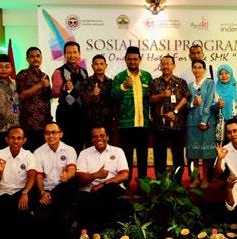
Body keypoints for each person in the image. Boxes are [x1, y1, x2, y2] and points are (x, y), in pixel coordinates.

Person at [0, 126, 38, 239]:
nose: (15, 141)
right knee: (12, 207)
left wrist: (25, 192)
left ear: (24, 140)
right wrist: (0, 171)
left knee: (14, 208)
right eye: (12, 138)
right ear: (7, 139)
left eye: (19, 138)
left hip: (21, 192)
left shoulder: (29, 155)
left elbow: (32, 176)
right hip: (3, 193)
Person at [34, 122, 78, 239]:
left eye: (54, 132)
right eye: (47, 133)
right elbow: (39, 176)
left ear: (61, 134)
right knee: (54, 207)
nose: (51, 135)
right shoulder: (38, 152)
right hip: (47, 189)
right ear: (44, 135)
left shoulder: (69, 150)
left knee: (67, 187)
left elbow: (72, 169)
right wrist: (42, 192)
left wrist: (67, 176)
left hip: (64, 186)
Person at [76, 126, 130, 234]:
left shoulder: (118, 151)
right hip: (90, 191)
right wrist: (96, 175)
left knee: (111, 188)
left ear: (107, 137)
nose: (99, 138)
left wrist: (102, 185)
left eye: (102, 135)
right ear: (91, 139)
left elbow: (124, 175)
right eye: (95, 136)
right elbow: (80, 179)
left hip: (111, 188)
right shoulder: (84, 153)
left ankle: (96, 232)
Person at [111, 46, 152, 181]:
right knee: (126, 157)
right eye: (129, 59)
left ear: (140, 59)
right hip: (125, 124)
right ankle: (126, 183)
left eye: (135, 59)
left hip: (143, 123)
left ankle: (143, 183)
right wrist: (123, 86)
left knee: (142, 156)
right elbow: (113, 96)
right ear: (125, 60)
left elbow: (151, 98)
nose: (132, 61)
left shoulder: (147, 76)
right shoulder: (119, 77)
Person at [149, 55, 189, 181]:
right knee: (159, 155)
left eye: (168, 64)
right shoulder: (154, 82)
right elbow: (150, 99)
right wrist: (161, 95)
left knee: (178, 155)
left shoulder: (181, 82)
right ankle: (161, 182)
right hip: (159, 125)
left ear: (174, 66)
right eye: (163, 64)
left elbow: (185, 98)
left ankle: (177, 181)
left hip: (177, 124)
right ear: (160, 66)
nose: (166, 66)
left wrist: (175, 111)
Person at [52, 41, 88, 153]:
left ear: (79, 54)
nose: (72, 55)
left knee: (80, 148)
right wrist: (65, 89)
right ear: (65, 55)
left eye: (74, 52)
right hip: (65, 115)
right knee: (66, 148)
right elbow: (54, 93)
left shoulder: (84, 72)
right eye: (69, 52)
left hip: (81, 115)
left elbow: (85, 92)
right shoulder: (59, 72)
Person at [186, 58, 216, 187]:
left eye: (200, 67)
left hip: (207, 123)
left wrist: (204, 121)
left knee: (206, 154)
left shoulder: (210, 83)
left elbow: (209, 101)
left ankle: (205, 179)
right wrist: (193, 103)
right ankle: (195, 178)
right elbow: (185, 104)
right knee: (193, 154)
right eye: (195, 67)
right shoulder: (188, 86)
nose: (197, 70)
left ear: (204, 70)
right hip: (192, 123)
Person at [16, 47, 52, 152]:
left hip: (44, 124)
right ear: (27, 59)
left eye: (38, 56)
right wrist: (40, 85)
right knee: (29, 154)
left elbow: (48, 97)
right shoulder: (23, 74)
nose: (35, 59)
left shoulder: (45, 76)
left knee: (43, 154)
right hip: (28, 124)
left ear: (41, 58)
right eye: (32, 56)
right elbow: (22, 95)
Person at [214, 63, 237, 143]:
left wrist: (235, 121)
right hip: (221, 126)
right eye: (221, 74)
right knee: (224, 148)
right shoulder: (215, 88)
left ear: (231, 73)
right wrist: (216, 106)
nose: (224, 76)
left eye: (226, 73)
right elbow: (211, 108)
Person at [81, 54, 114, 136]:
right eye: (96, 64)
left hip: (107, 122)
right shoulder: (86, 81)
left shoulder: (111, 82)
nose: (99, 67)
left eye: (101, 64)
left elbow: (114, 103)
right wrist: (92, 94)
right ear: (92, 66)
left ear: (106, 66)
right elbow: (82, 102)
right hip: (91, 122)